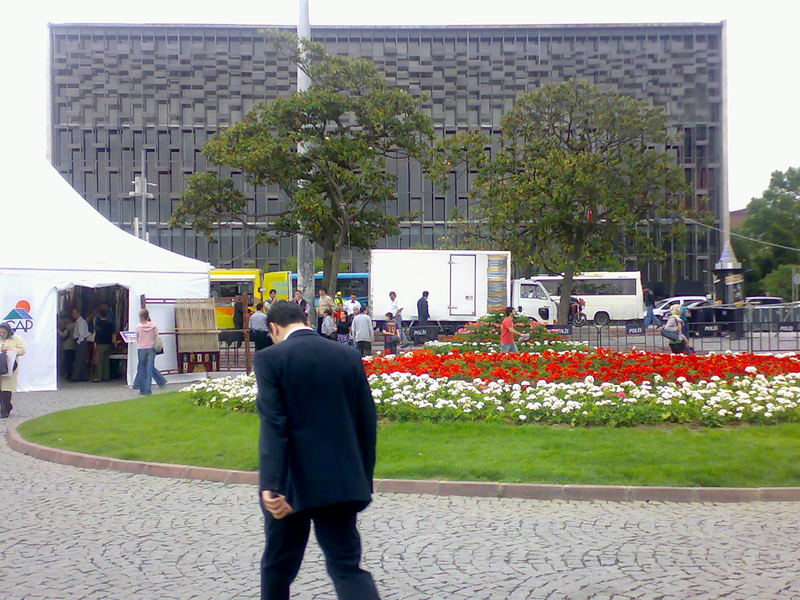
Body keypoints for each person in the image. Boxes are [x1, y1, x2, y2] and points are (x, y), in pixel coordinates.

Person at [254, 301, 380, 600]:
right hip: (341, 481)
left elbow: (274, 425)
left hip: (291, 484)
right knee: (347, 568)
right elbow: (366, 423)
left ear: (273, 328)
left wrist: (271, 484)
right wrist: (363, 480)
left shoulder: (271, 358)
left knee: (278, 568)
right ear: (305, 318)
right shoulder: (348, 356)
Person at [133, 309, 167, 396]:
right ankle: (148, 390)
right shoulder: (154, 326)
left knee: (141, 368)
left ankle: (142, 389)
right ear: (148, 316)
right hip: (151, 348)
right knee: (149, 368)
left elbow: (137, 338)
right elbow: (157, 336)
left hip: (141, 349)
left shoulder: (138, 327)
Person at [0, 322, 25, 418]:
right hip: (0, 365)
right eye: (0, 332)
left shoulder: (16, 339)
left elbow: (22, 350)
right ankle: (7, 406)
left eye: (4, 333)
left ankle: (4, 410)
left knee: (6, 389)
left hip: (11, 367)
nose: (2, 334)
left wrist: (12, 350)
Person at [92, 308, 115, 382]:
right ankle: (106, 377)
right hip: (108, 344)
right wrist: (114, 343)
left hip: (100, 344)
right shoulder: (111, 324)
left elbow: (97, 335)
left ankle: (99, 377)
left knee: (100, 361)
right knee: (106, 361)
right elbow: (113, 334)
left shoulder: (98, 324)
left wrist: (95, 343)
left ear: (99, 315)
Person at [71, 308, 91, 381]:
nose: (73, 315)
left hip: (80, 341)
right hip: (81, 341)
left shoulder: (81, 322)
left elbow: (81, 333)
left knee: (79, 359)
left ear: (78, 313)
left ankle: (76, 377)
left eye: (74, 313)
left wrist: (79, 341)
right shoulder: (79, 322)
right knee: (82, 359)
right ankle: (84, 376)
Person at [58, 312, 76, 380]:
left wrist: (57, 331)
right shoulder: (75, 325)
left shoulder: (69, 326)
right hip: (73, 345)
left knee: (68, 361)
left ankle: (69, 374)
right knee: (71, 361)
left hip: (67, 345)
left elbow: (64, 335)